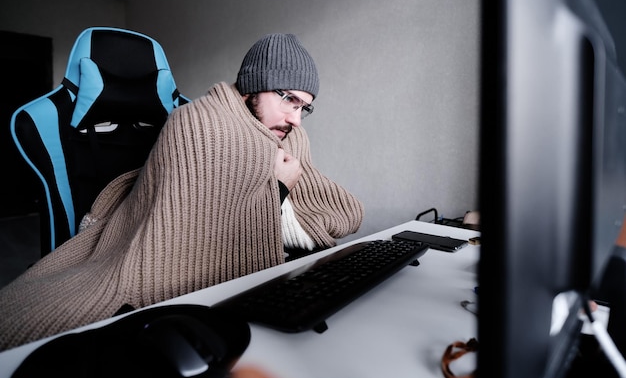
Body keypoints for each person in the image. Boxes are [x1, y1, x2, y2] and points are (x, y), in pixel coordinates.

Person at [0, 33, 364, 351]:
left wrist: (278, 194)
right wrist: (280, 186)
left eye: (305, 107)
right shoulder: (197, 121)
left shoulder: (290, 136)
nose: (296, 119)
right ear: (254, 85)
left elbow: (337, 210)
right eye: (289, 100)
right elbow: (190, 237)